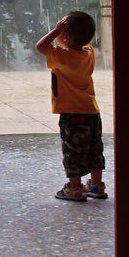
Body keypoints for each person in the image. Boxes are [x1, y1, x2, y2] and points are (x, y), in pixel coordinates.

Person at [36, 11, 108, 202]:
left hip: (72, 113)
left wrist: (55, 31)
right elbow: (79, 40)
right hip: (92, 111)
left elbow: (40, 46)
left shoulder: (62, 57)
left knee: (72, 151)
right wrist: (63, 31)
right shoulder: (88, 53)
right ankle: (97, 185)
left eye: (61, 29)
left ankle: (75, 188)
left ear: (66, 36)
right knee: (94, 149)